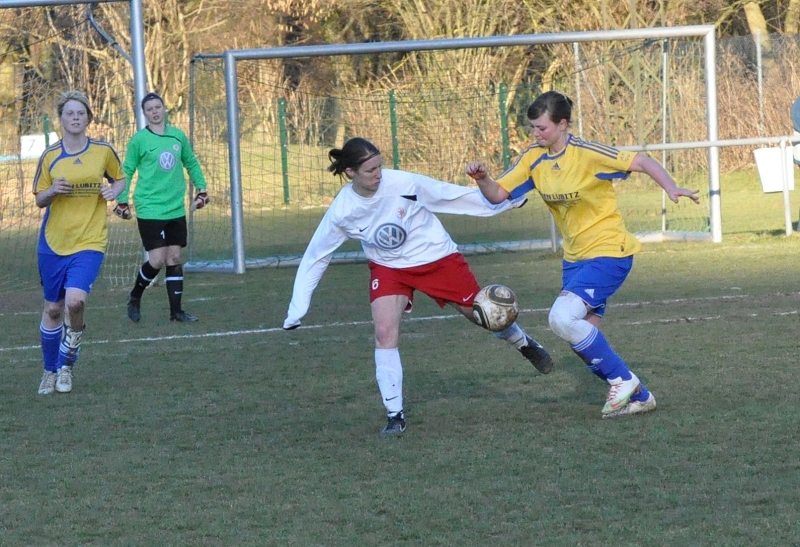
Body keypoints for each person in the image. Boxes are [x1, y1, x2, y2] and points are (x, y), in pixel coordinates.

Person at [283, 137, 554, 435]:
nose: (379, 174)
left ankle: (524, 343)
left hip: (437, 258)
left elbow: (450, 196)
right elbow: (315, 257)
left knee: (485, 317)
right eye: (371, 170)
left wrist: (502, 203)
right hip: (389, 269)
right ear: (350, 172)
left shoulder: (403, 183)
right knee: (384, 331)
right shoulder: (342, 211)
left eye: (380, 167)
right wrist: (297, 308)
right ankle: (394, 415)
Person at [466, 90, 700, 419]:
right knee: (580, 334)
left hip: (610, 251)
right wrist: (482, 179)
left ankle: (624, 381)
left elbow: (642, 161)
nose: (536, 134)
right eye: (532, 128)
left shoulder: (587, 152)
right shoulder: (533, 157)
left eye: (542, 128)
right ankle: (640, 396)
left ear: (563, 125)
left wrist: (671, 186)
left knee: (561, 318)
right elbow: (497, 195)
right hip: (574, 259)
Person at [32, 90, 127, 394]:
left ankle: (66, 367)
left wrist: (116, 192)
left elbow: (120, 178)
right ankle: (49, 371)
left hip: (90, 240)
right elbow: (39, 199)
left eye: (80, 113)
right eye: (70, 113)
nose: (75, 118)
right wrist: (52, 192)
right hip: (53, 243)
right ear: (61, 119)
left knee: (76, 302)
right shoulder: (50, 156)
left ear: (88, 118)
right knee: (54, 309)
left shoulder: (102, 151)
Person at [115, 92, 209, 323]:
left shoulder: (177, 136)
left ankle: (176, 312)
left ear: (164, 108)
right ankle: (135, 296)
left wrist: (202, 189)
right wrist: (122, 200)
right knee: (157, 260)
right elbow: (126, 170)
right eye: (150, 109)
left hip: (175, 207)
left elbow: (191, 161)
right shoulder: (139, 140)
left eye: (158, 107)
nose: (155, 111)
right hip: (150, 207)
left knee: (174, 257)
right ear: (144, 113)